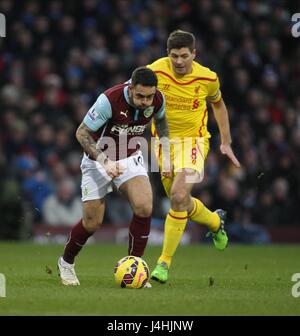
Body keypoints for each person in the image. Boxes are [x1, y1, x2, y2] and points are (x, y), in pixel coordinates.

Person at [57, 67, 169, 286]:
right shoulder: (109, 99)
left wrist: (165, 157)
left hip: (130, 156)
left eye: (149, 96)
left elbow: (162, 125)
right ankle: (66, 262)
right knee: (92, 223)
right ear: (130, 89)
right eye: (140, 96)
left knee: (144, 206)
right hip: (98, 159)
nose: (146, 101)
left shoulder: (158, 99)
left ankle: (135, 267)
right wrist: (104, 162)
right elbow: (81, 132)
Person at [147, 30, 241, 283]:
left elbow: (218, 104)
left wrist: (226, 141)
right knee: (181, 202)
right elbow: (136, 96)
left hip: (194, 143)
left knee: (178, 196)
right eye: (174, 56)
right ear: (168, 54)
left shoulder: (208, 77)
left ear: (194, 54)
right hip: (163, 144)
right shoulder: (155, 71)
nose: (179, 61)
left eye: (184, 56)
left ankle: (163, 264)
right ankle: (213, 220)